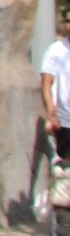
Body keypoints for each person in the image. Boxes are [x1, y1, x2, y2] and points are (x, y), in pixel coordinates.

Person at [42, 11, 70, 160]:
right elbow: (46, 84)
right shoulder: (55, 51)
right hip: (65, 119)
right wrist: (50, 111)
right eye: (68, 22)